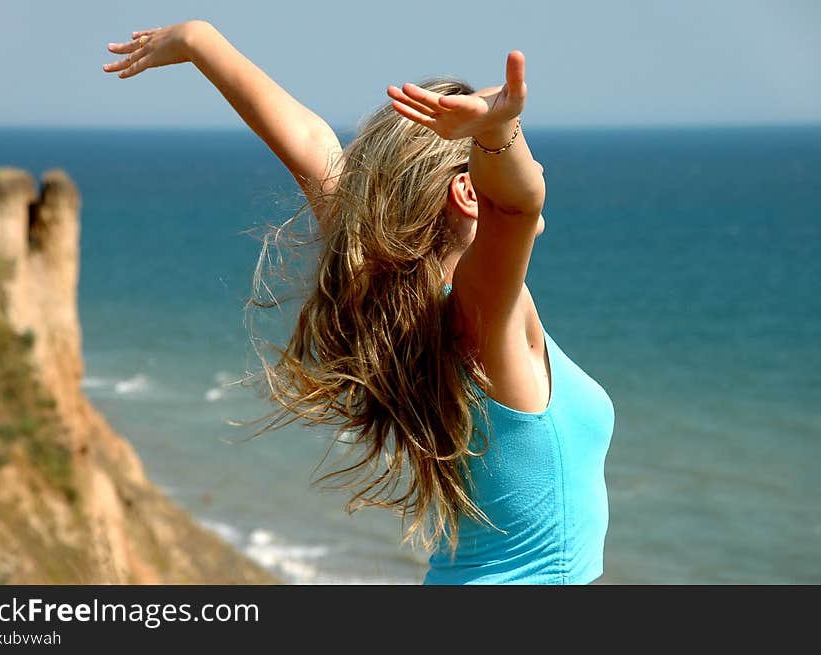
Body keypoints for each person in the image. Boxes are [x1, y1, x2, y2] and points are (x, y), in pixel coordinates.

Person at [103, 20, 615, 584]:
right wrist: (499, 132)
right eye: (525, 154)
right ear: (470, 195)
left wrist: (201, 42)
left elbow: (313, 145)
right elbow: (516, 206)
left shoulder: (389, 290)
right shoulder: (484, 316)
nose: (537, 165)